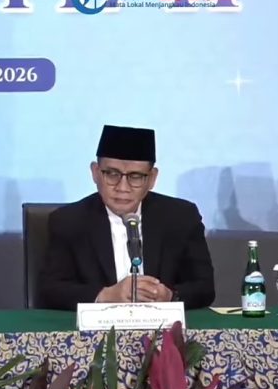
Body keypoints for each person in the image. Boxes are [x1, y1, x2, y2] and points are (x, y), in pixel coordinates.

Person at [37, 125, 215, 310]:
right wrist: (106, 295)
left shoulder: (181, 217)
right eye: (112, 174)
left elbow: (204, 287)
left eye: (135, 176)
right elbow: (50, 290)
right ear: (95, 172)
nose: (123, 187)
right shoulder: (69, 221)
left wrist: (170, 296)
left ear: (152, 178)